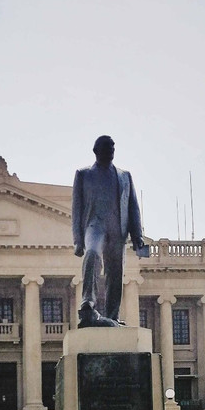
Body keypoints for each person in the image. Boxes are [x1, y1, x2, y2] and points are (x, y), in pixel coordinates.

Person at [72, 135, 146, 326]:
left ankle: (112, 315)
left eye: (113, 147)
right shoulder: (83, 174)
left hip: (117, 230)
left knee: (116, 272)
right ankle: (88, 302)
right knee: (92, 253)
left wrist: (137, 235)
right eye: (107, 147)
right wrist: (78, 240)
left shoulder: (124, 176)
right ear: (96, 151)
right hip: (94, 226)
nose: (111, 151)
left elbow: (133, 207)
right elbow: (76, 209)